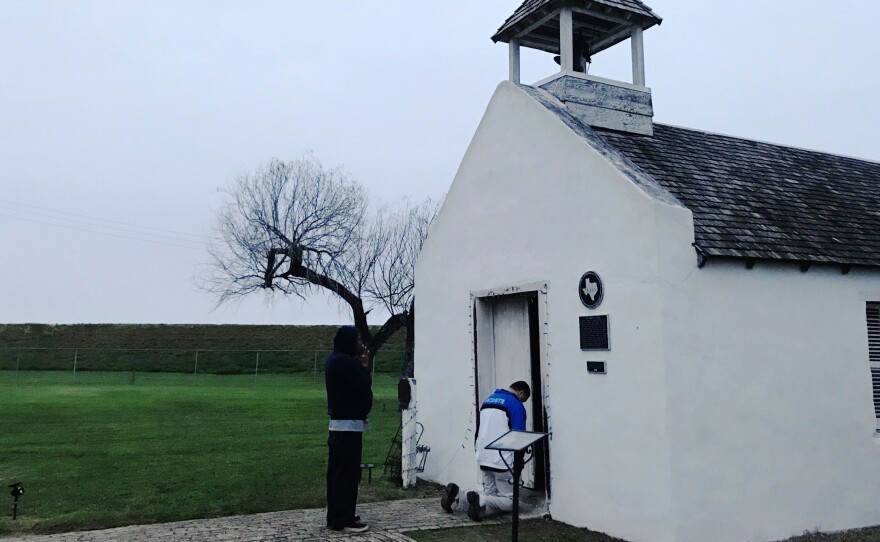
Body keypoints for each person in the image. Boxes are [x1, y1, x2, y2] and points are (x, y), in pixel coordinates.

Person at [440, 381, 531, 521]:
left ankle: (458, 495)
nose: (522, 402)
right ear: (521, 393)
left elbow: (478, 430)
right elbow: (518, 436)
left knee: (491, 494)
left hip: (483, 456)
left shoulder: (487, 400)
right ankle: (480, 500)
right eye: (523, 400)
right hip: (503, 460)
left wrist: (478, 452)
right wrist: (519, 461)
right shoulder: (515, 404)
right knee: (511, 502)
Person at [324, 325, 372, 533]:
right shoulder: (344, 362)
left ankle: (336, 515)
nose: (361, 344)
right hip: (347, 428)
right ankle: (344, 519)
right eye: (358, 340)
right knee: (347, 474)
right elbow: (363, 383)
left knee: (337, 473)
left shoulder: (336, 360)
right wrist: (364, 366)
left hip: (342, 427)